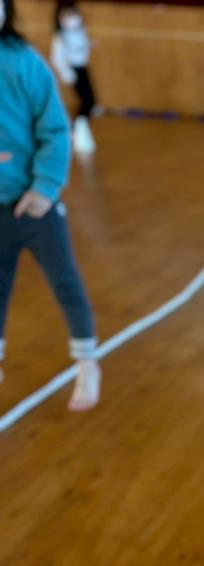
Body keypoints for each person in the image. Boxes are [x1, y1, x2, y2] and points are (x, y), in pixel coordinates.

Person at [0, 0, 101, 409]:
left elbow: (55, 129)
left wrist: (43, 188)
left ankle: (88, 364)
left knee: (65, 282)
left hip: (35, 208)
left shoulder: (24, 63)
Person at [51, 0, 96, 154]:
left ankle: (78, 129)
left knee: (90, 100)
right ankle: (75, 130)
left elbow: (81, 46)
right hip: (74, 70)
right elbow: (57, 58)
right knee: (88, 100)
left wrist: (89, 45)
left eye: (74, 13)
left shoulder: (79, 30)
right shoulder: (61, 37)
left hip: (82, 67)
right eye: (67, 15)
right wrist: (67, 73)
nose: (73, 17)